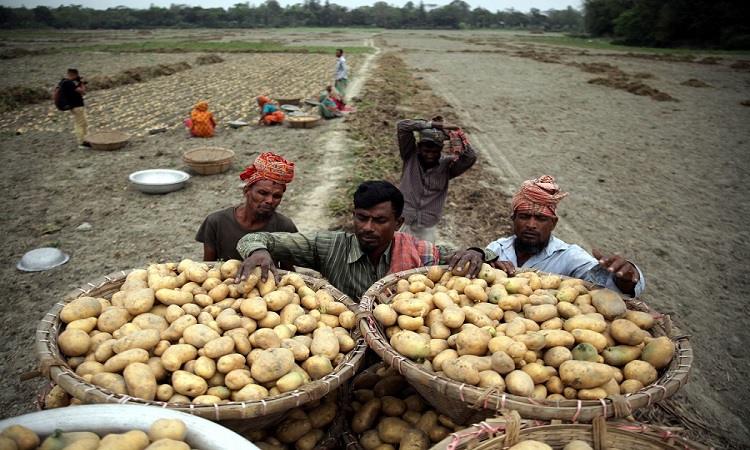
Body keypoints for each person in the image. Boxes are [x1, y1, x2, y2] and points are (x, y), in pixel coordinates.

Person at [236, 180, 496, 300]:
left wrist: (478, 252)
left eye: (380, 221)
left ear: (398, 223)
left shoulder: (421, 252)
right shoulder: (329, 246)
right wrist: (259, 251)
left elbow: (476, 254)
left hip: (400, 339)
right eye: (361, 218)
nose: (367, 228)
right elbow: (256, 237)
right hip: (346, 338)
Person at [487, 175, 645, 297]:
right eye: (524, 216)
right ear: (513, 219)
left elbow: (605, 285)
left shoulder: (569, 256)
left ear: (553, 224)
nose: (531, 224)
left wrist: (625, 279)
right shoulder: (498, 248)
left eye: (541, 219)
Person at [195, 152, 298, 269]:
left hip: (267, 284)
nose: (270, 200)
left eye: (277, 196)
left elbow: (289, 272)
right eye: (263, 193)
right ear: (246, 191)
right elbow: (207, 268)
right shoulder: (216, 222)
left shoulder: (284, 227)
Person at [397, 116, 477, 243]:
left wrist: (455, 131)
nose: (430, 155)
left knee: (425, 260)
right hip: (402, 219)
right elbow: (402, 126)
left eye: (435, 152)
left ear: (441, 150)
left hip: (426, 225)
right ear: (419, 147)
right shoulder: (410, 155)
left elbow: (470, 157)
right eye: (426, 151)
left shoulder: (447, 166)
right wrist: (433, 124)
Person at [60, 68, 89, 147]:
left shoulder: (64, 82)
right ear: (73, 75)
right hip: (76, 106)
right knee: (80, 124)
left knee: (84, 123)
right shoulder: (68, 83)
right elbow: (83, 91)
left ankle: (86, 139)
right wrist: (82, 83)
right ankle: (82, 142)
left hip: (76, 106)